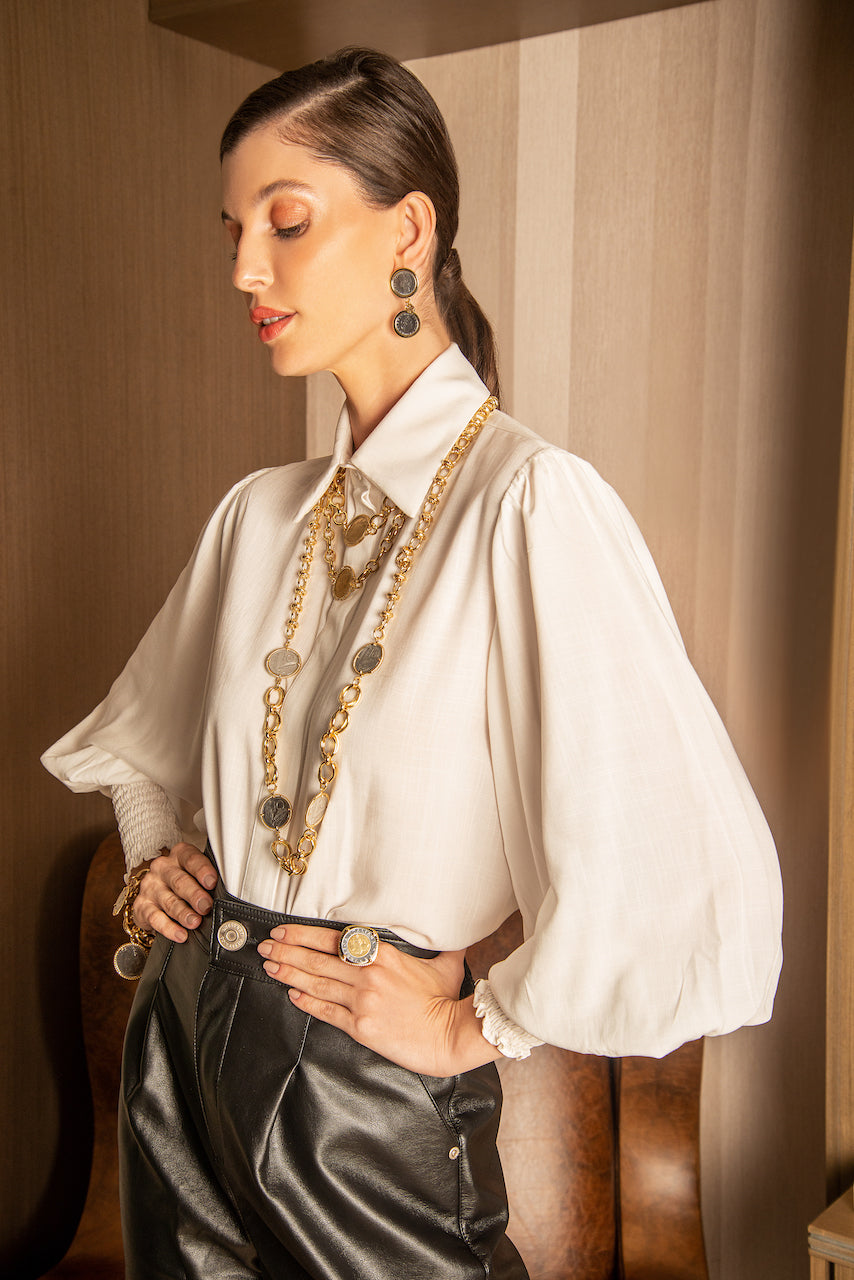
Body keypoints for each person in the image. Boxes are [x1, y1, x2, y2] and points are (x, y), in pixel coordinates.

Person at [42, 46, 783, 1280]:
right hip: (175, 1054)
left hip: (356, 1096)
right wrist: (152, 849)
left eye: (285, 222)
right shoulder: (256, 516)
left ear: (408, 229)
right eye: (233, 231)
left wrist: (472, 1024)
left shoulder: (529, 505)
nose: (244, 268)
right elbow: (140, 740)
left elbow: (678, 861)